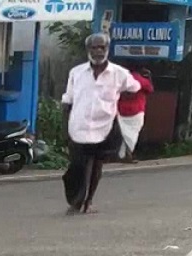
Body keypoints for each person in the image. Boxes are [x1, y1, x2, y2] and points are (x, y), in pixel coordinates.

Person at [60, 33, 141, 215]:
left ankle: (86, 202)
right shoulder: (77, 73)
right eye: (94, 48)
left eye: (101, 48)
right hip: (79, 126)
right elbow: (68, 99)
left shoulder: (119, 73)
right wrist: (64, 126)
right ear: (88, 50)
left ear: (107, 49)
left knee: (96, 164)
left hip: (104, 126)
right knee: (77, 166)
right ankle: (75, 200)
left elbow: (135, 88)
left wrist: (120, 100)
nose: (98, 51)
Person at [117, 67, 153, 163]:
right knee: (133, 133)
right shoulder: (142, 80)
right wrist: (149, 78)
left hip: (121, 110)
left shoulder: (121, 79)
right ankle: (127, 154)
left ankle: (122, 154)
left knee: (124, 133)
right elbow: (150, 89)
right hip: (137, 110)